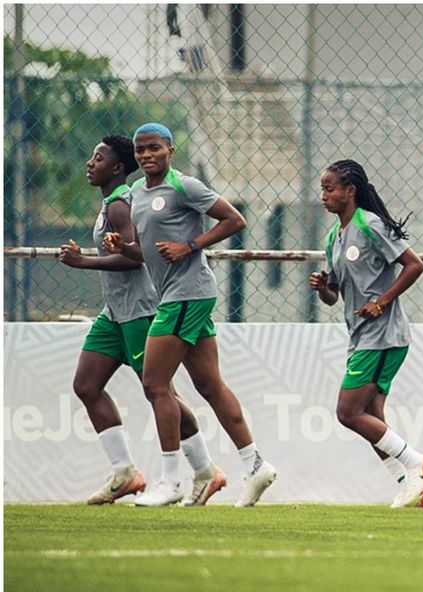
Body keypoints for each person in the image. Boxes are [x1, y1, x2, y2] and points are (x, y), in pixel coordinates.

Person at [103, 122, 277, 507]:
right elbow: (144, 254)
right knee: (210, 385)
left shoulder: (185, 186)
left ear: (169, 150)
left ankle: (170, 480)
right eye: (140, 150)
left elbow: (235, 219)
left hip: (188, 294)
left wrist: (190, 246)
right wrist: (124, 245)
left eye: (153, 148)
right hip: (176, 295)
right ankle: (255, 464)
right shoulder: (135, 194)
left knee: (154, 382)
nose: (146, 155)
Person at [60, 135, 220, 505]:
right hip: (114, 312)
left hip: (140, 310)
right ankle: (124, 472)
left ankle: (204, 469)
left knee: (159, 390)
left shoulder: (120, 206)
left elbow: (137, 257)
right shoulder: (110, 204)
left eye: (98, 158)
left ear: (117, 168)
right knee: (86, 384)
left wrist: (85, 261)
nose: (89, 163)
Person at [310, 159, 423, 508]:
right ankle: (412, 487)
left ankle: (416, 464)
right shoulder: (334, 236)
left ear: (350, 191)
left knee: (348, 413)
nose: (324, 195)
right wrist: (323, 287)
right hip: (362, 336)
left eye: (330, 188)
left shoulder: (370, 224)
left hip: (384, 334)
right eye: (322, 188)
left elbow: (414, 265)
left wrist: (381, 302)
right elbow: (334, 296)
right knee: (372, 418)